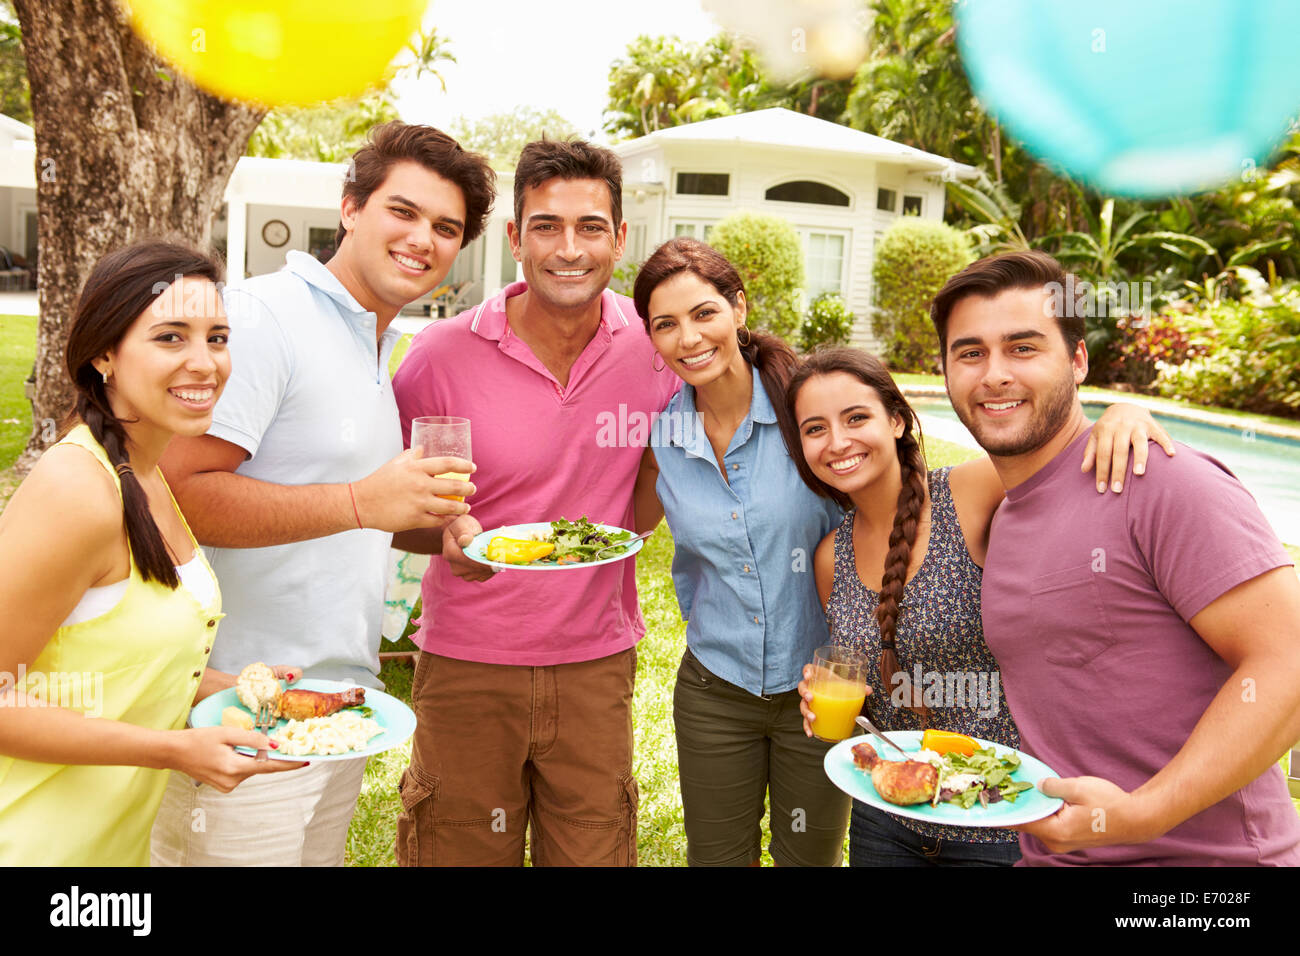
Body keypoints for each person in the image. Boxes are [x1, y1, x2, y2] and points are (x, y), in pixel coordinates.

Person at [150, 122, 496, 867]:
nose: (422, 239)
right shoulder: (263, 317)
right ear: (350, 208)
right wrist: (364, 503)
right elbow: (174, 492)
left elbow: (344, 507)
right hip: (237, 702)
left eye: (446, 227)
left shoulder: (379, 342)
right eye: (402, 211)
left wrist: (436, 536)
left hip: (340, 702)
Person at [931, 249, 1300, 865]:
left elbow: (1287, 662)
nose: (994, 374)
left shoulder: (1158, 480)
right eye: (970, 353)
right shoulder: (1004, 512)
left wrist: (1143, 814)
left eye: (1024, 348)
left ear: (1077, 361)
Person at [390, 139, 680, 866]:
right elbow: (395, 514)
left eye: (590, 228)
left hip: (595, 664)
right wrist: (446, 536)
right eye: (546, 226)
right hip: (466, 665)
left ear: (619, 238)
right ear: (516, 239)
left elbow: (643, 512)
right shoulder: (438, 355)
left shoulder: (655, 349)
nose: (569, 249)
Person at [783, 348, 1171, 866]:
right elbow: (869, 681)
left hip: (998, 815)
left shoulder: (969, 493)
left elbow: (1064, 453)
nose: (838, 442)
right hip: (886, 813)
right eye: (815, 429)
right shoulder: (831, 556)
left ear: (897, 421)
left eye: (856, 418)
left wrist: (1126, 415)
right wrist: (823, 697)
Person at [0, 241, 305, 866]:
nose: (205, 363)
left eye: (217, 337)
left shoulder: (145, 472)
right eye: (171, 338)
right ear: (104, 354)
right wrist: (173, 749)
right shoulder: (77, 489)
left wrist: (237, 689)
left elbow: (109, 662)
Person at [629, 238, 849, 866]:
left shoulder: (811, 409)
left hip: (821, 688)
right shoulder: (663, 435)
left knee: (808, 858)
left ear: (738, 309)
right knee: (717, 859)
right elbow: (623, 524)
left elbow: (903, 487)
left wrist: (1107, 423)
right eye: (665, 325)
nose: (688, 338)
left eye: (704, 314)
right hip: (715, 689)